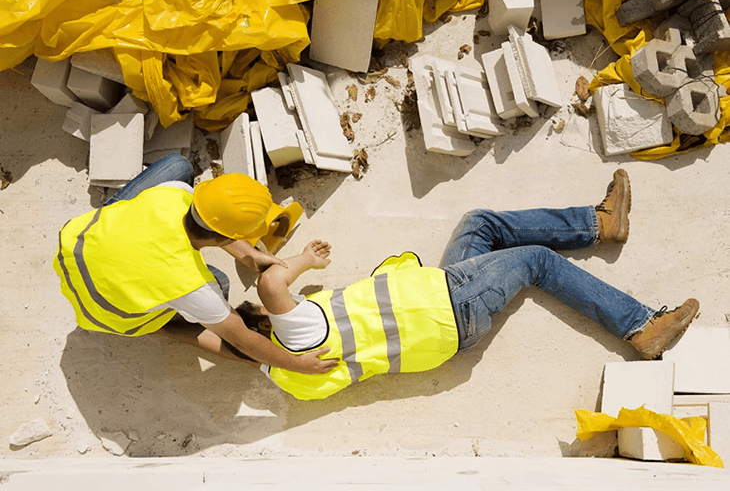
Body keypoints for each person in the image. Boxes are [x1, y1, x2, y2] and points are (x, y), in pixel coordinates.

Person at [237, 169, 699, 400]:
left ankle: (600, 223)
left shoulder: (287, 377)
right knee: (537, 261)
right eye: (264, 314)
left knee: (479, 224)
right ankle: (640, 326)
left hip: (444, 314)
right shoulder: (298, 333)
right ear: (264, 326)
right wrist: (304, 260)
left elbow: (226, 343)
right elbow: (272, 283)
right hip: (450, 304)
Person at [53, 153, 337, 375]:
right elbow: (243, 341)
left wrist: (247, 254)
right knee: (221, 286)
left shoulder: (174, 193)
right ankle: (158, 325)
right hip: (105, 312)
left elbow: (211, 225)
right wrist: (296, 364)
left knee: (177, 165)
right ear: (226, 237)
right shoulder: (195, 287)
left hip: (75, 246)